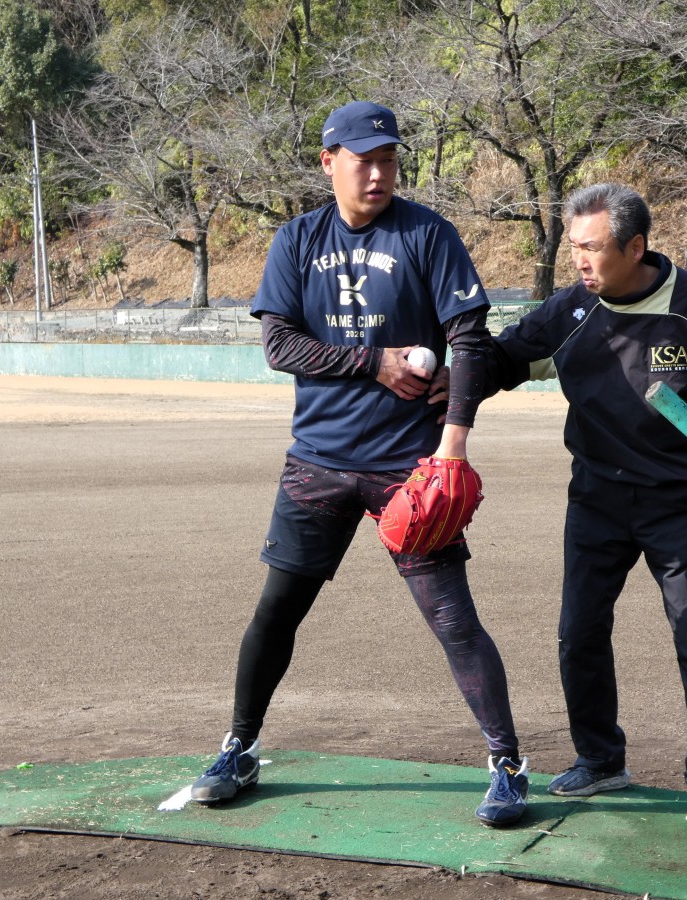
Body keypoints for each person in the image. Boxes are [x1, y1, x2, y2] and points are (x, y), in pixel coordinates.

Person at [190, 100, 528, 827]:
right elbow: (279, 345)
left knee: (452, 618)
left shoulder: (427, 234)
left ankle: (508, 764)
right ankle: (237, 747)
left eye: (389, 160)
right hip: (317, 460)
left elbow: (468, 337)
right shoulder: (297, 239)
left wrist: (454, 440)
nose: (378, 174)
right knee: (278, 609)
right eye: (363, 160)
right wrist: (372, 361)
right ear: (329, 162)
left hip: (409, 466)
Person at [483, 182, 687, 830]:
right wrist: (437, 365)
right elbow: (501, 360)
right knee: (578, 634)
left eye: (591, 249)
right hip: (595, 497)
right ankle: (600, 758)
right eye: (574, 248)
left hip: (679, 504)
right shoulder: (570, 311)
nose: (579, 262)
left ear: (635, 246)